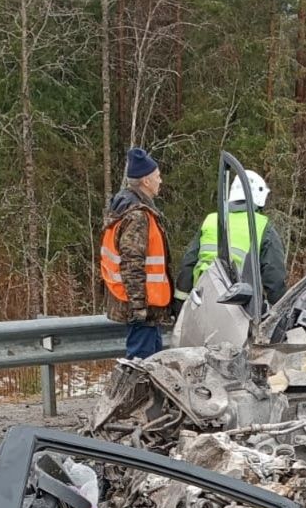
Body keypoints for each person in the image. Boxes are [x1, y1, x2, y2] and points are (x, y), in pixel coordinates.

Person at [100, 147, 174, 358]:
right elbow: (132, 264)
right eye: (158, 177)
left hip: (145, 305)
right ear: (146, 182)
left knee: (152, 365)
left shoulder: (127, 209)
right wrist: (138, 307)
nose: (161, 181)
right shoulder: (138, 216)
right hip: (143, 307)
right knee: (141, 365)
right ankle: (135, 393)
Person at [174, 169, 288, 306]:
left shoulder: (211, 220)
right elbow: (274, 278)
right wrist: (280, 312)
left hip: (202, 299)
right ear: (259, 196)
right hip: (238, 305)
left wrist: (180, 304)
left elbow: (188, 263)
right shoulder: (262, 226)